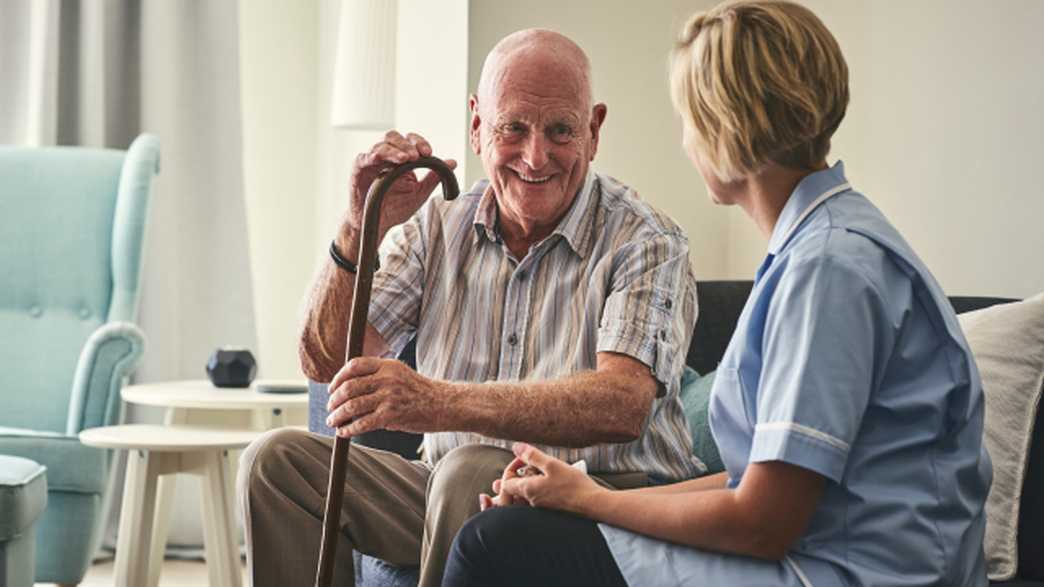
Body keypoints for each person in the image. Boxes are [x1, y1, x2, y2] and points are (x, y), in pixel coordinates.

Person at [443, 2, 992, 586]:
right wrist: (578, 490)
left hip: (836, 573)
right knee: (519, 532)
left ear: (724, 124)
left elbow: (763, 522)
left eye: (687, 118)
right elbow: (758, 483)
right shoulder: (822, 246)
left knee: (494, 545)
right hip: (817, 553)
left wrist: (591, 501)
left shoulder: (828, 271)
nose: (684, 139)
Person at [237, 29, 703, 587]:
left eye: (560, 130)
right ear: (478, 125)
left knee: (467, 469)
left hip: (597, 503)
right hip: (444, 492)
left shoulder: (646, 240)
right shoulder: (438, 227)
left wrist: (439, 403)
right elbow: (326, 362)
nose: (536, 156)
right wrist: (358, 225)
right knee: (275, 462)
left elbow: (621, 405)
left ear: (594, 130)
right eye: (513, 128)